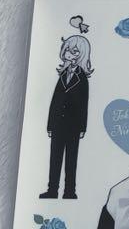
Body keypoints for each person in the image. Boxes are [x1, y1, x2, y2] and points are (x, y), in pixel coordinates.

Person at [40, 34, 93, 200]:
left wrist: (82, 127)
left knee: (71, 159)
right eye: (68, 50)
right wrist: (50, 125)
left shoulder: (82, 78)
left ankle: (69, 191)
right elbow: (55, 101)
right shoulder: (62, 75)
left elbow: (84, 104)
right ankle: (52, 190)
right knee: (55, 158)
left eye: (75, 51)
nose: (70, 54)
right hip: (57, 125)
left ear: (82, 54)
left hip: (73, 126)